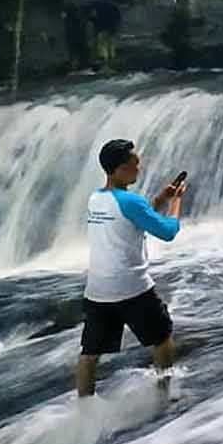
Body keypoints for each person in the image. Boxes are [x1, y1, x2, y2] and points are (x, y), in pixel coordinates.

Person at [78, 139, 186, 397]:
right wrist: (176, 202)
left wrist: (162, 198)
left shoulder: (96, 199)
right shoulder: (131, 202)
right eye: (133, 165)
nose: (139, 168)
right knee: (162, 337)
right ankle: (164, 393)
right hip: (132, 288)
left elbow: (131, 217)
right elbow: (168, 231)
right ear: (117, 170)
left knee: (90, 353)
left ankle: (84, 408)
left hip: (97, 290)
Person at [86, 0, 122, 72]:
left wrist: (92, 20)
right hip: (111, 29)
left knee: (102, 47)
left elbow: (91, 15)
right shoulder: (113, 4)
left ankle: (105, 66)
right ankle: (112, 65)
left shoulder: (96, 3)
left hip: (101, 28)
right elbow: (118, 17)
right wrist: (117, 27)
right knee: (111, 47)